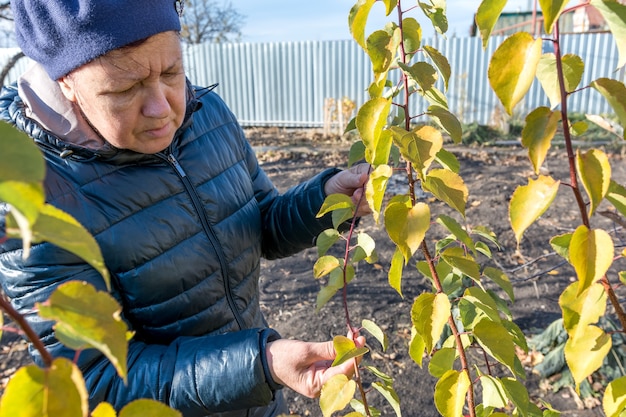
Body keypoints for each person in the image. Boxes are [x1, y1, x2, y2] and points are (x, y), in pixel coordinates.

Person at [0, 1, 369, 416]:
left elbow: (259, 220)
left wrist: (327, 201)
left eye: (172, 72)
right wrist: (260, 364)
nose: (162, 108)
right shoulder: (31, 192)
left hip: (257, 397)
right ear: (65, 82)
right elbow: (95, 378)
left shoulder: (204, 113)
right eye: (124, 89)